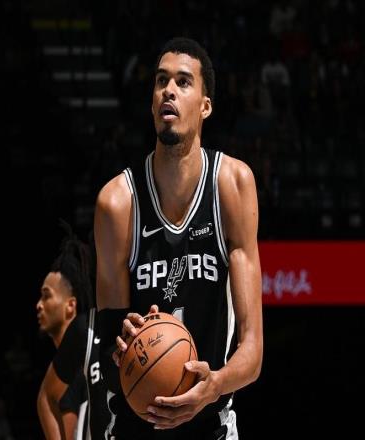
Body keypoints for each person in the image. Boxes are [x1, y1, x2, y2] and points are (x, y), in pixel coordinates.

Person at [94, 37, 263, 439]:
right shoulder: (117, 203)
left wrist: (214, 385)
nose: (168, 90)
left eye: (183, 82)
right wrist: (121, 347)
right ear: (152, 102)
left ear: (205, 106)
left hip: (211, 426)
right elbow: (105, 352)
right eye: (161, 81)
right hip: (135, 428)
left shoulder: (232, 185)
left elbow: (252, 351)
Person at [36, 222, 109, 439]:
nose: (38, 305)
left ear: (71, 305)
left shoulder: (79, 365)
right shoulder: (73, 359)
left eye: (46, 296)